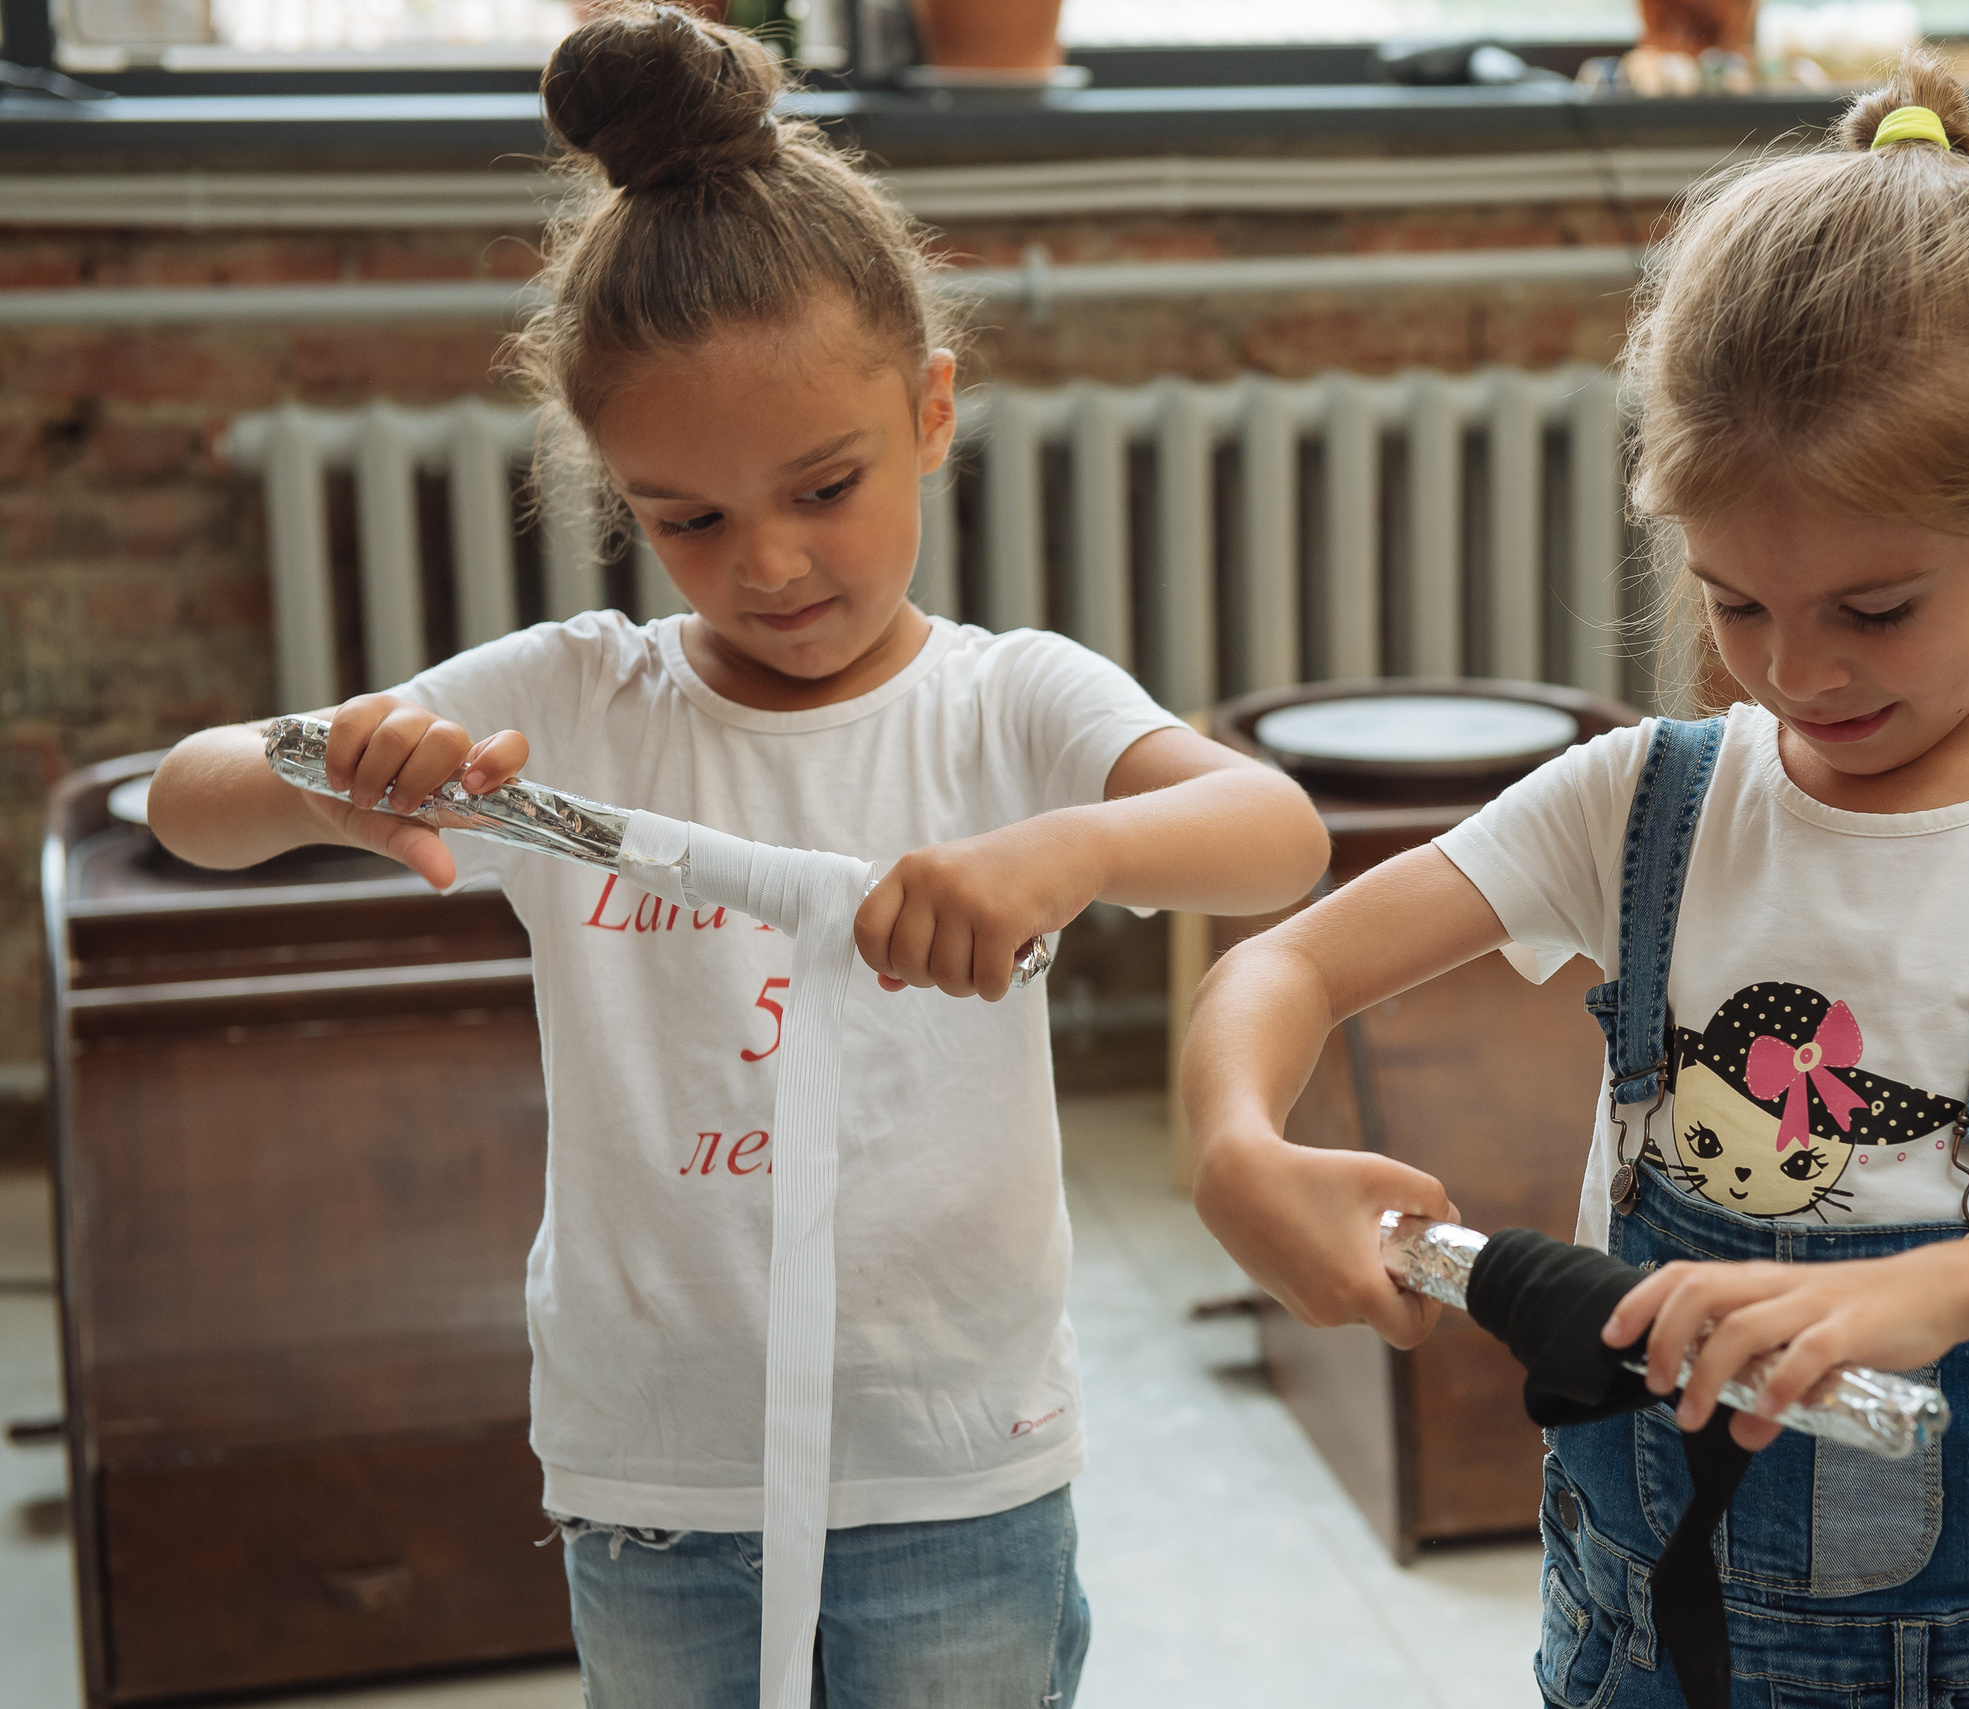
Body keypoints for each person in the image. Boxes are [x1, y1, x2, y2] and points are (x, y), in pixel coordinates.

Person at [146, 7, 1330, 1705]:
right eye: (689, 518)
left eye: (825, 486)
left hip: (953, 1465)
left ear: (931, 412)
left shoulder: (1013, 703)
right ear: (623, 498)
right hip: (658, 1475)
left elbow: (1271, 836)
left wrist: (1057, 852)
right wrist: (329, 774)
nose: (768, 564)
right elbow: (188, 800)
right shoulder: (575, 702)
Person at [1181, 54, 1969, 1709]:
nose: (1791, 670)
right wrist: (1238, 1142)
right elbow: (1279, 969)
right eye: (1739, 600)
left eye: (1873, 610)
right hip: (1633, 1634)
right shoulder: (1643, 802)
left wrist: (1932, 1290)